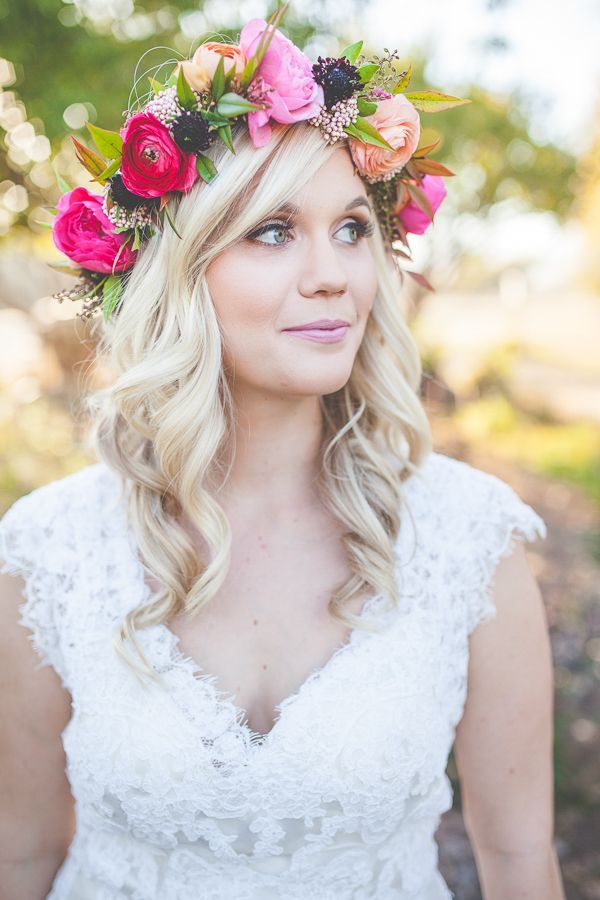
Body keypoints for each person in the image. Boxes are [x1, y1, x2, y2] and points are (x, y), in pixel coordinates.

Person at [0, 11, 565, 899]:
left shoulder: (470, 538)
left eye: (351, 228)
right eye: (272, 231)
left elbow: (521, 859)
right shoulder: (51, 548)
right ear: (178, 272)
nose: (333, 272)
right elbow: (23, 853)